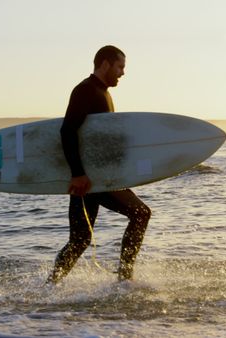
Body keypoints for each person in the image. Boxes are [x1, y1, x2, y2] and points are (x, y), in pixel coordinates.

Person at [47, 45, 151, 284]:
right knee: (141, 214)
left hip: (99, 177)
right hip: (90, 179)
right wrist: (78, 174)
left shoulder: (103, 93)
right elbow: (68, 130)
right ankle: (125, 280)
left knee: (80, 239)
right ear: (105, 64)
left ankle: (50, 287)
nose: (122, 72)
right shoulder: (86, 90)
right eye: (120, 66)